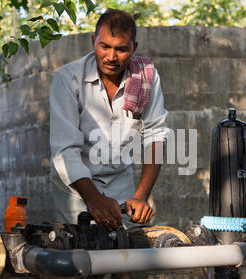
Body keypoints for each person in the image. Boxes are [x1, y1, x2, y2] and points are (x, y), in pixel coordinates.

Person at [50, 9, 169, 231]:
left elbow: (156, 135)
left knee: (127, 253)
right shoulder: (68, 79)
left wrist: (141, 197)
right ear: (93, 40)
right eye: (104, 46)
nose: (111, 57)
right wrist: (94, 200)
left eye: (121, 49)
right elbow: (65, 149)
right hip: (76, 188)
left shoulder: (146, 78)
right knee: (78, 254)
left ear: (134, 47)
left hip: (120, 183)